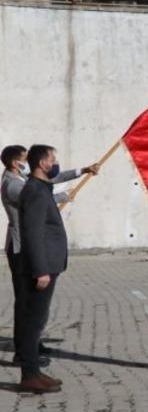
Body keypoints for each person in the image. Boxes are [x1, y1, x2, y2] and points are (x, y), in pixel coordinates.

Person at [3, 144, 97, 368]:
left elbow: (50, 181)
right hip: (21, 248)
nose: (29, 163)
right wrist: (64, 195)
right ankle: (25, 352)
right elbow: (38, 199)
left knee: (34, 307)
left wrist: (82, 171)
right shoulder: (13, 185)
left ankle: (31, 344)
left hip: (30, 248)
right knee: (27, 304)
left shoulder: (24, 179)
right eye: (25, 159)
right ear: (16, 163)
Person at [13, 146, 73, 392]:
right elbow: (33, 234)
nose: (55, 162)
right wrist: (40, 270)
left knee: (37, 320)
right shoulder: (35, 191)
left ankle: (35, 370)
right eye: (52, 159)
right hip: (42, 267)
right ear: (42, 163)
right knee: (32, 321)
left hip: (48, 264)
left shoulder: (41, 188)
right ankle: (29, 375)